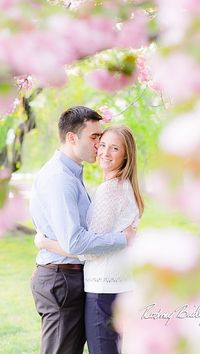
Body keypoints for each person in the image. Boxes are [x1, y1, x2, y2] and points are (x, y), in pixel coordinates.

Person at [30, 107, 135, 354]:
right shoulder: (60, 178)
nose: (99, 145)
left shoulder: (73, 174)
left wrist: (43, 244)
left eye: (102, 138)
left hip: (71, 277)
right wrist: (123, 239)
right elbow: (76, 242)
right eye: (94, 137)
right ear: (71, 138)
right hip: (61, 278)